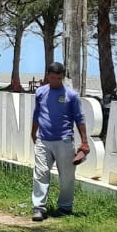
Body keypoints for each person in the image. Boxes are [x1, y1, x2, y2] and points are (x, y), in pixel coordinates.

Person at [29, 62, 90, 222]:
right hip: (43, 139)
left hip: (64, 140)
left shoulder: (71, 95)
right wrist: (33, 131)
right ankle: (39, 208)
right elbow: (37, 113)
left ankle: (65, 207)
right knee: (40, 173)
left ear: (63, 77)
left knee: (67, 176)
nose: (56, 81)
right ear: (47, 75)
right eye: (53, 77)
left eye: (59, 78)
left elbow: (79, 118)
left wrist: (84, 141)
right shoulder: (40, 92)